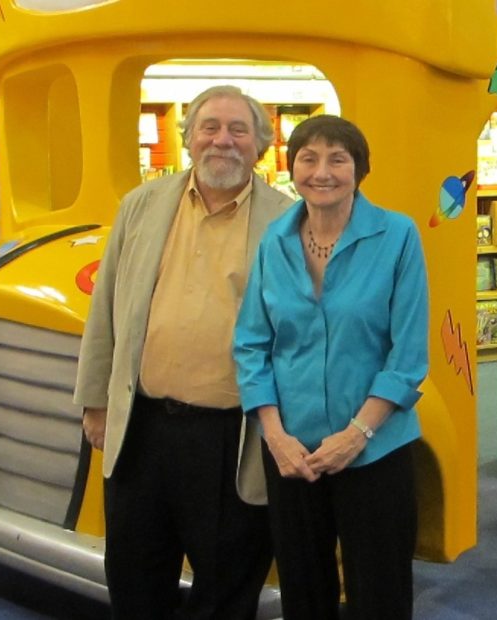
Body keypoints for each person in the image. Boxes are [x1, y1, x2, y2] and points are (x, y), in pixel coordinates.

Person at [74, 84, 293, 619]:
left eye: (239, 130)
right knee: (134, 579)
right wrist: (96, 400)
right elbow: (107, 309)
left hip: (233, 437)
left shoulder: (288, 221)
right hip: (142, 429)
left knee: (225, 588)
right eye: (210, 127)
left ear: (260, 144)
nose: (223, 140)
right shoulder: (141, 205)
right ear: (190, 137)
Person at [233, 115, 430, 620]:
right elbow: (251, 345)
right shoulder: (273, 241)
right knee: (303, 591)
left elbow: (407, 357)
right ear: (292, 167)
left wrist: (356, 434)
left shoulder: (397, 236)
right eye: (308, 158)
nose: (322, 172)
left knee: (379, 592)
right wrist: (274, 434)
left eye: (337, 159)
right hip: (292, 453)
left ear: (359, 170)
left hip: (375, 450)